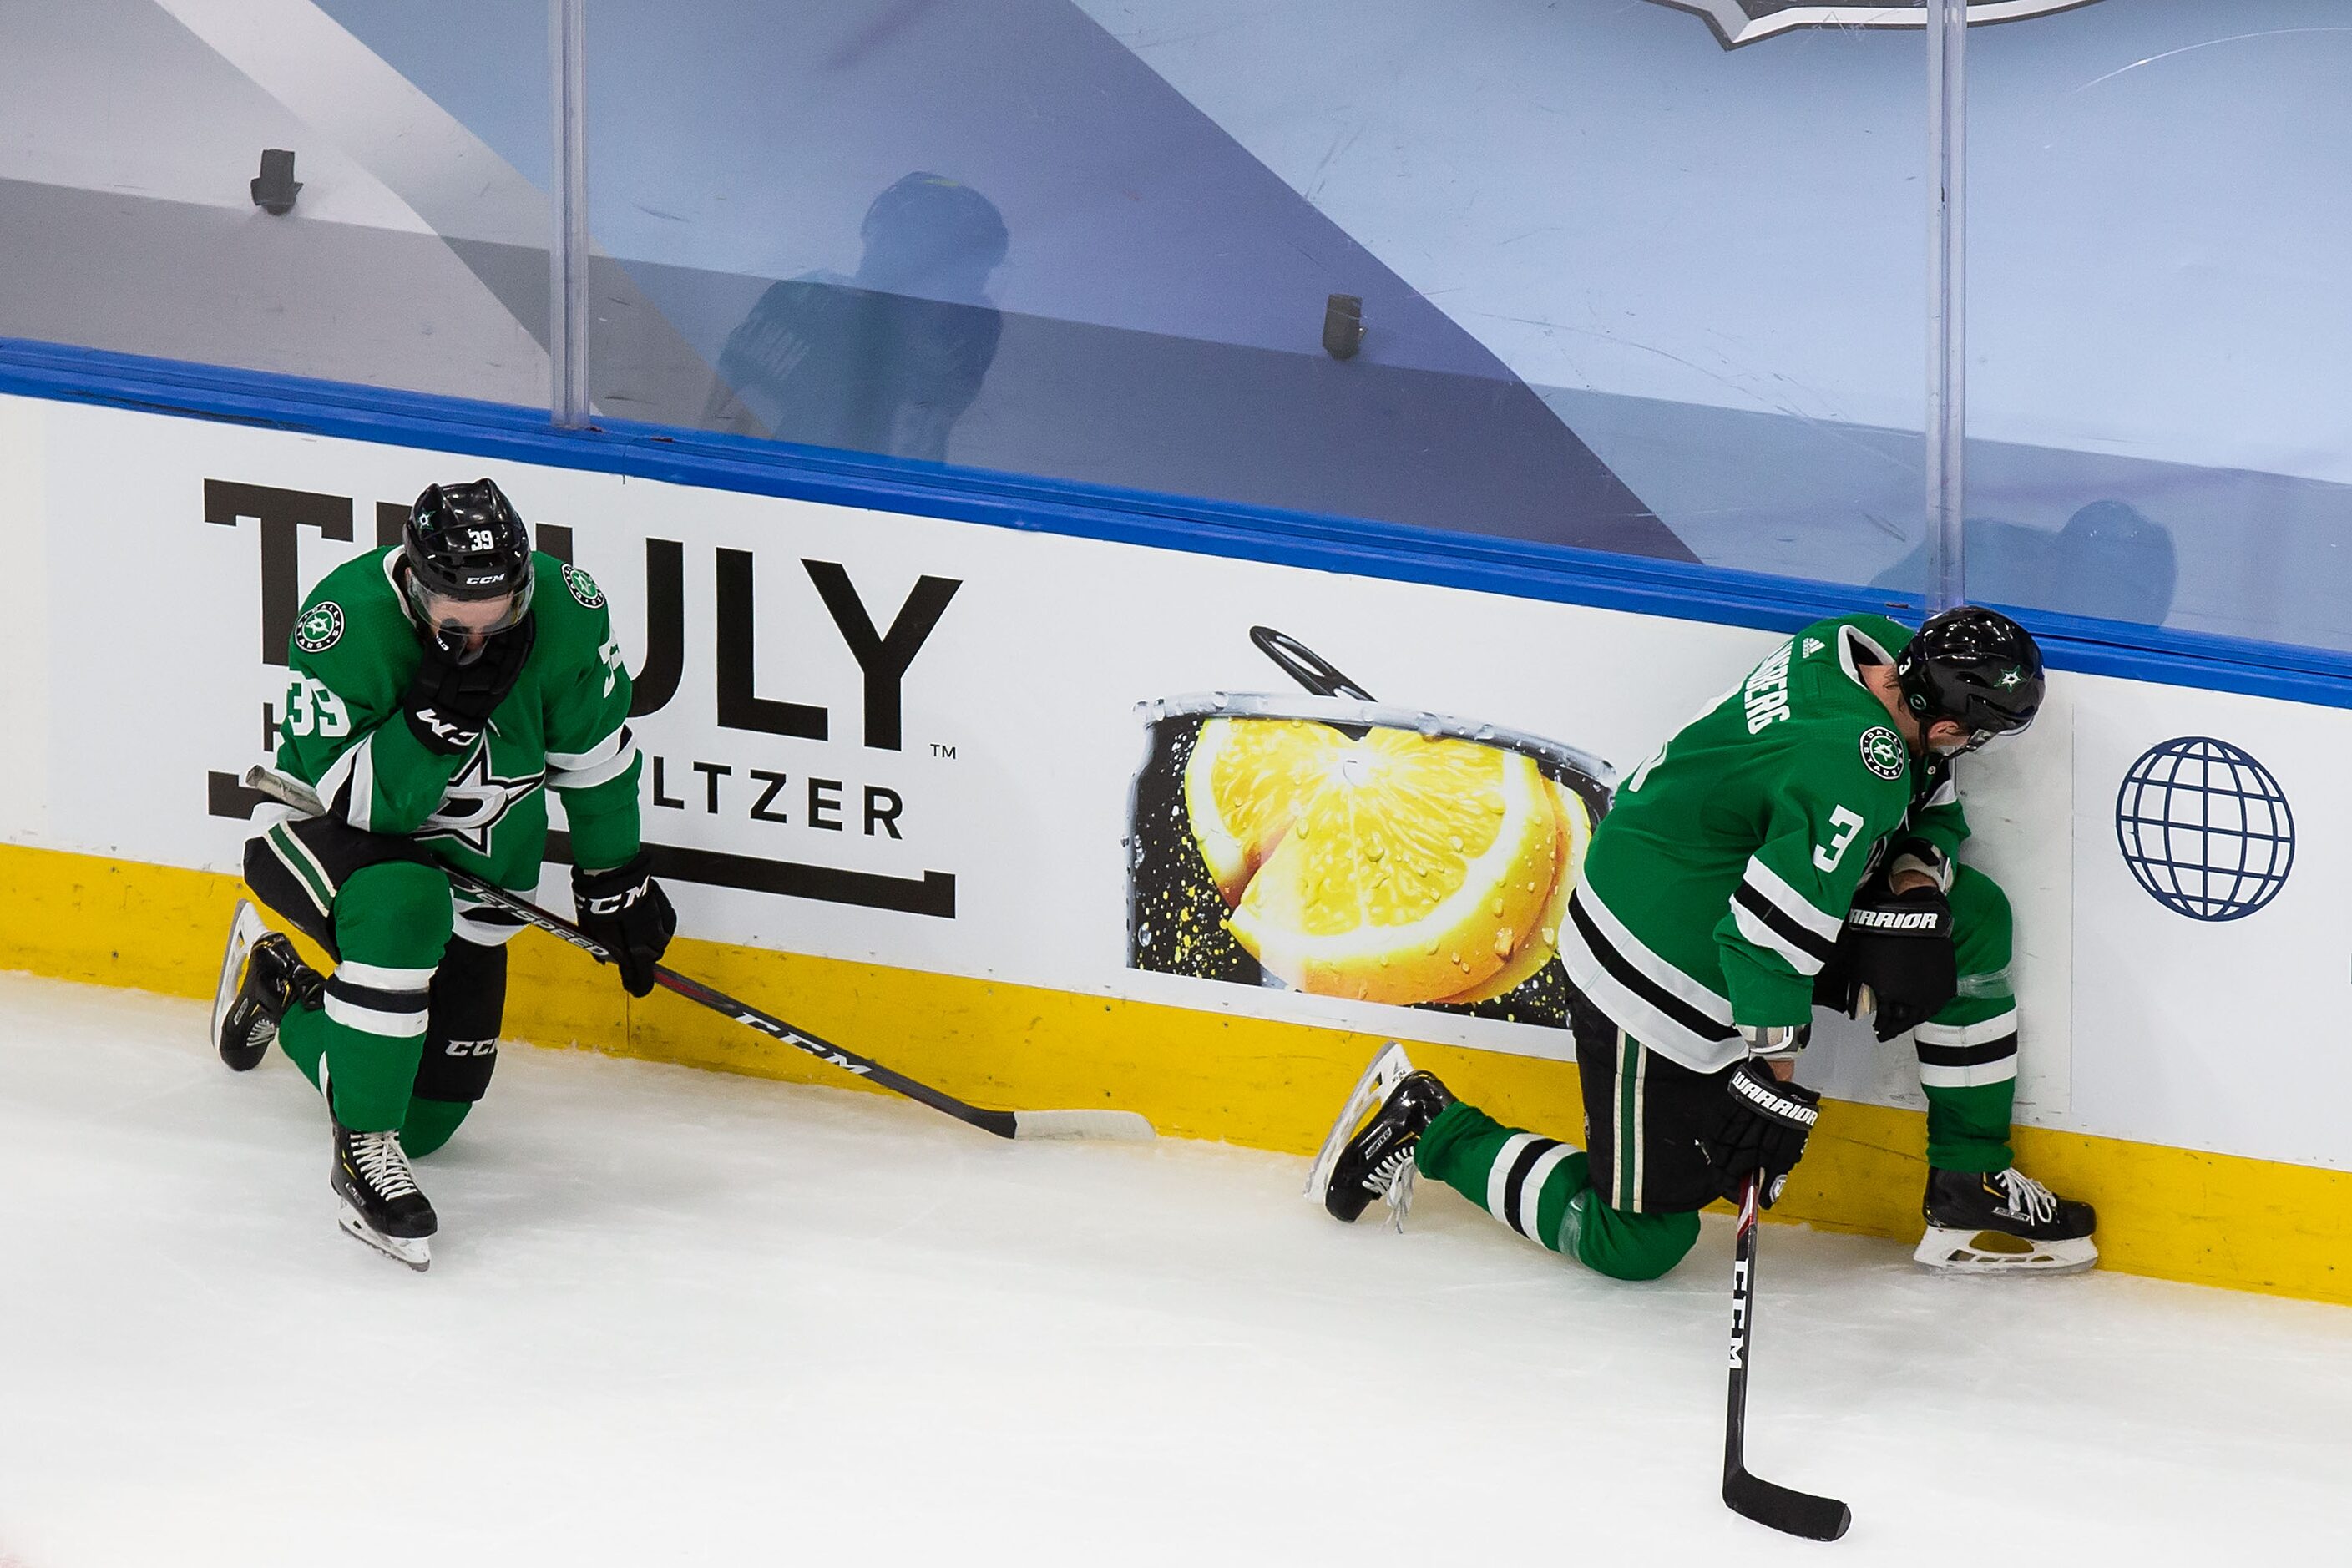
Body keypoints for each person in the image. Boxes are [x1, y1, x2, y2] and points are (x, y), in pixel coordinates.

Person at [1314, 606, 2097, 1277]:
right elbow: (1768, 939)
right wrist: (1773, 1085)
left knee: (1972, 919)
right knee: (1638, 1243)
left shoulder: (1866, 647)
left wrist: (1915, 887)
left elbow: (1915, 792)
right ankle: (1429, 1121)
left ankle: (1969, 1179)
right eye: (1973, 737)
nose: (1967, 750)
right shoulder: (1853, 767)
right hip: (1652, 958)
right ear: (1950, 722)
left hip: (1712, 888)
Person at [213, 478, 675, 1270]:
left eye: (503, 611)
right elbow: (356, 804)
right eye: (458, 617)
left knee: (426, 1120)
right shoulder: (345, 621)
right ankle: (363, 1156)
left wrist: (613, 875)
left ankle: (280, 988)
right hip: (326, 835)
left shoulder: (568, 608)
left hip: (479, 872)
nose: (483, 634)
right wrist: (433, 727)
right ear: (419, 583)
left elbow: (596, 761)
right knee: (404, 902)